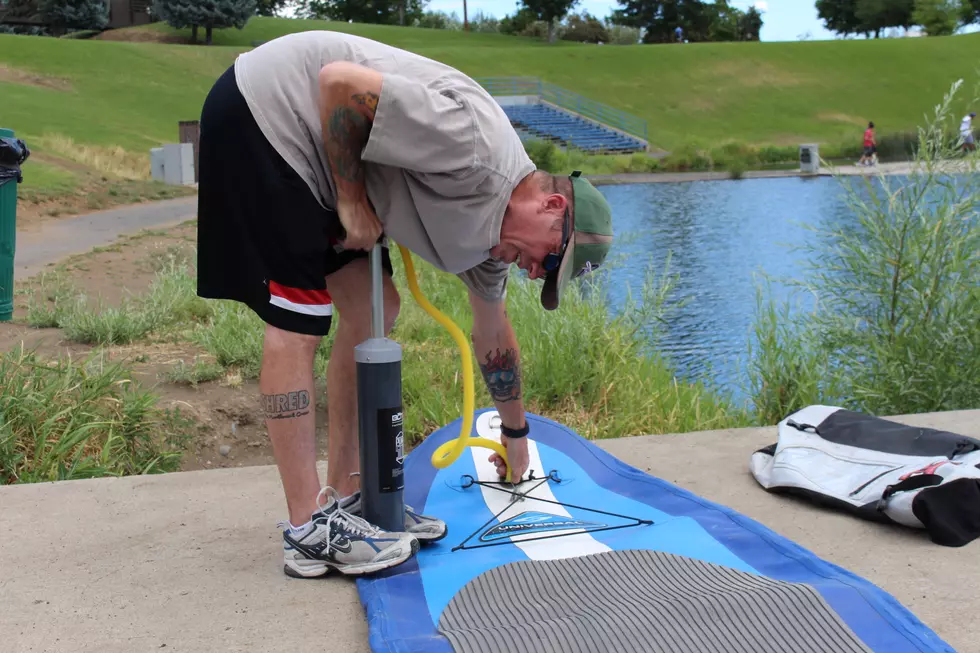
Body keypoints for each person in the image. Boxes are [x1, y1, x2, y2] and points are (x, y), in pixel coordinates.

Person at [194, 31, 614, 579]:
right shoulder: (473, 147)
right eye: (548, 261)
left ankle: (349, 501)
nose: (533, 272)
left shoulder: (494, 247)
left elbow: (493, 331)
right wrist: (350, 201)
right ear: (552, 206)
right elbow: (339, 86)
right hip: (268, 111)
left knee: (375, 314)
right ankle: (305, 530)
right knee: (301, 318)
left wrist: (515, 437)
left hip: (325, 157)